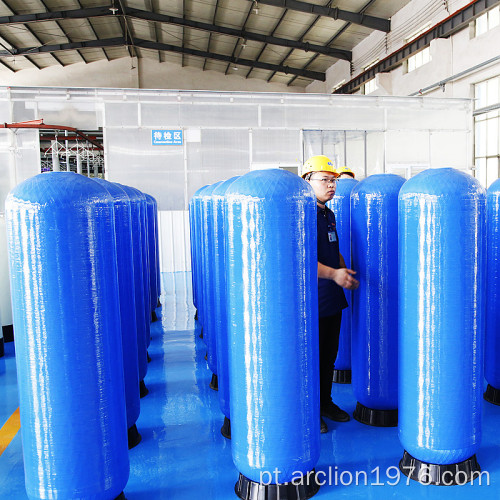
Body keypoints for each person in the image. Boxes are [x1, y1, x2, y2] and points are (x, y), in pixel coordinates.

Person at [302, 155, 359, 434]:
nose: (332, 185)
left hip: (331, 298)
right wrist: (334, 274)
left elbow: (330, 248)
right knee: (312, 357)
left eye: (333, 180)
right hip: (312, 300)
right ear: (306, 180)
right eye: (324, 179)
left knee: (328, 356)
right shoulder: (302, 215)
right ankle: (310, 409)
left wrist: (343, 268)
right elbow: (302, 261)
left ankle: (325, 402)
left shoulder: (328, 213)